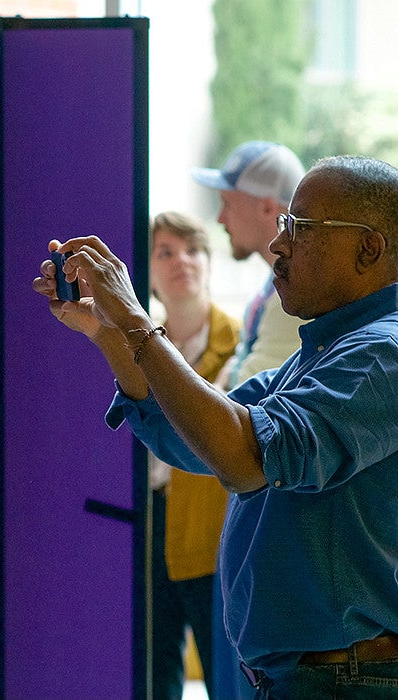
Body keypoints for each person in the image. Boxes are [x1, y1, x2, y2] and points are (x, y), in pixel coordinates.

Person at [33, 155, 398, 699]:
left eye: (301, 229)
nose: (279, 246)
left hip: (346, 681)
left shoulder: (379, 354)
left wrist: (135, 321)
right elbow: (200, 438)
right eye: (283, 227)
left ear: (369, 247)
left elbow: (245, 457)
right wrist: (108, 332)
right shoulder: (325, 349)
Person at [144, 212, 239, 699]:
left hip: (214, 528)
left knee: (225, 669)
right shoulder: (138, 351)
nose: (181, 260)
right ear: (150, 272)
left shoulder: (242, 346)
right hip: (146, 522)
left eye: (192, 249)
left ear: (208, 261)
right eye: (165, 251)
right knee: (154, 670)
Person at [191, 140, 306, 389]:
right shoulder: (278, 281)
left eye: (228, 203)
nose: (220, 218)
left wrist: (226, 379)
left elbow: (245, 396)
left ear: (267, 208)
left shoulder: (297, 295)